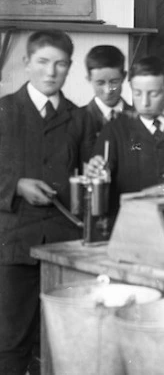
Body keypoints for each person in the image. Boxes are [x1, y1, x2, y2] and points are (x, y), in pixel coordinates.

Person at [0, 30, 94, 375]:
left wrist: (95, 172)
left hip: (63, 245)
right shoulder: (4, 111)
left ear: (69, 68)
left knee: (61, 339)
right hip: (13, 243)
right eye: (43, 62)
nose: (51, 72)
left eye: (60, 64)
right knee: (10, 342)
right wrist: (16, 185)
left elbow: (88, 178)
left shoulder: (80, 118)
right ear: (26, 64)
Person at [85, 56, 164, 218]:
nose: (145, 102)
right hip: (132, 225)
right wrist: (96, 168)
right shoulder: (114, 130)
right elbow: (99, 171)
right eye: (137, 93)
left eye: (153, 94)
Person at [81, 45, 132, 136]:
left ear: (124, 76)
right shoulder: (77, 121)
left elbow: (139, 148)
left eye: (114, 82)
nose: (108, 90)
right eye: (100, 83)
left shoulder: (140, 118)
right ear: (89, 79)